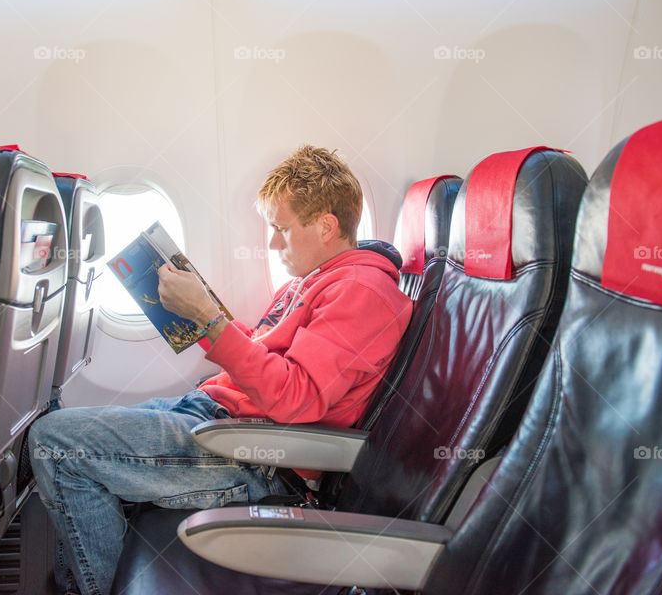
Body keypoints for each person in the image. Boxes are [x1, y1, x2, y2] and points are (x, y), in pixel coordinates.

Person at [29, 145, 413, 595]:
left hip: (256, 457)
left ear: (327, 226)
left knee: (56, 443)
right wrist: (204, 313)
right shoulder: (312, 281)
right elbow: (266, 354)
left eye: (282, 230)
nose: (273, 244)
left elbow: (297, 398)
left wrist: (210, 321)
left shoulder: (363, 292)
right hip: (218, 417)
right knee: (68, 431)